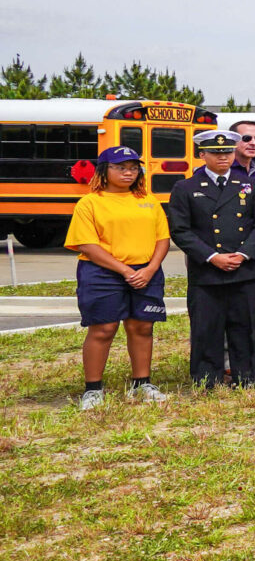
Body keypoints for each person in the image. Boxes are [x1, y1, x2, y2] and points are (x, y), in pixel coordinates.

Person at [165, 129, 255, 388]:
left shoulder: (247, 184)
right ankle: (207, 378)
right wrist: (212, 256)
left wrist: (244, 253)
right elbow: (180, 229)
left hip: (244, 268)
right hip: (208, 270)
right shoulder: (186, 187)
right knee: (207, 326)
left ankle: (248, 376)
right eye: (215, 152)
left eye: (226, 152)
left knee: (246, 325)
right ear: (202, 155)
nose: (222, 157)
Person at [67, 146, 170, 408]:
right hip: (102, 273)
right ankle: (93, 390)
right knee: (103, 328)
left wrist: (149, 269)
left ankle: (142, 383)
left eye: (134, 168)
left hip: (146, 271)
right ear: (104, 170)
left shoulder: (149, 200)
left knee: (142, 326)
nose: (128, 172)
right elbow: (87, 244)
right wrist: (125, 270)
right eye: (120, 167)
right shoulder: (90, 202)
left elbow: (163, 239)